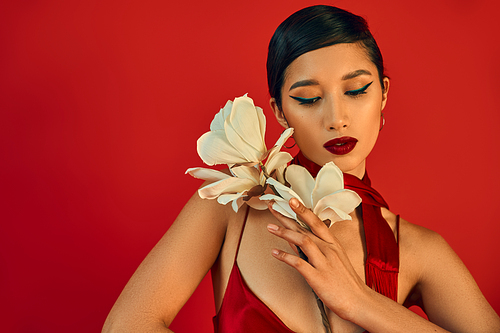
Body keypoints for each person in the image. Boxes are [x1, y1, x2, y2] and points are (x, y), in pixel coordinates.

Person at [103, 5, 500, 332]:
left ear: (383, 94)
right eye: (308, 98)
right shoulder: (230, 208)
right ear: (279, 111)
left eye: (357, 90)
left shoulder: (420, 251)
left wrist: (360, 302)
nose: (336, 118)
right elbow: (126, 326)